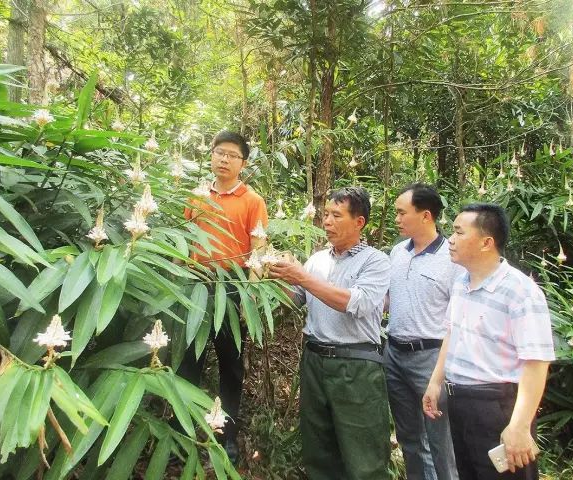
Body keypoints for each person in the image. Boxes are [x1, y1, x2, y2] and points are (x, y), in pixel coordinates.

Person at [422, 203, 555, 480]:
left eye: (459, 232)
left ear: (486, 242)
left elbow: (536, 361)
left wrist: (519, 425)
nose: (451, 239)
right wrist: (436, 383)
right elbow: (452, 333)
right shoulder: (461, 283)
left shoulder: (520, 291)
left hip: (498, 406)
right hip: (460, 402)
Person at [270, 187, 391, 480]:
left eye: (336, 215)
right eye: (325, 214)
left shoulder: (375, 261)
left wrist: (302, 277)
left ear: (359, 222)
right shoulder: (317, 260)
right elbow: (294, 299)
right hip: (315, 361)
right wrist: (267, 278)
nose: (327, 222)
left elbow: (355, 303)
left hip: (356, 366)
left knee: (364, 454)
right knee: (319, 449)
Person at [180, 130, 268, 464]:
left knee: (231, 366)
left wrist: (251, 298)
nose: (223, 159)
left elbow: (258, 251)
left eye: (231, 155)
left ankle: (227, 437)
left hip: (232, 289)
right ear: (211, 155)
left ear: (243, 163)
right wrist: (176, 279)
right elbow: (184, 243)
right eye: (219, 152)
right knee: (190, 361)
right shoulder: (197, 195)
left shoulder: (252, 200)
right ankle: (183, 432)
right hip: (196, 285)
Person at [385, 183, 460, 480]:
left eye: (402, 213)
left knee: (442, 443)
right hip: (394, 355)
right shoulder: (396, 252)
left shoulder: (451, 259)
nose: (396, 219)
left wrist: (440, 374)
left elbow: (458, 317)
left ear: (426, 215)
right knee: (410, 440)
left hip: (431, 358)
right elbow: (388, 300)